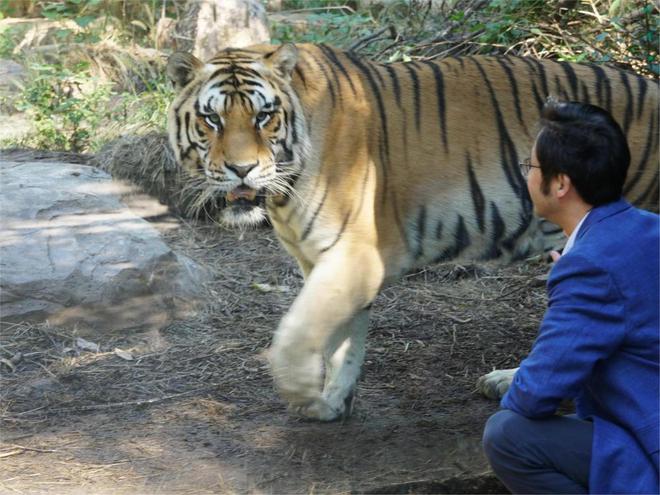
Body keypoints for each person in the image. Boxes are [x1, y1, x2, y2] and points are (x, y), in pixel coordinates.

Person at [480, 99, 660, 494]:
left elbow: (535, 395)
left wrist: (575, 281)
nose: (527, 176)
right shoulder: (649, 229)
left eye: (531, 167)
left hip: (650, 450)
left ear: (560, 184)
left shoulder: (590, 266)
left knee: (508, 435)